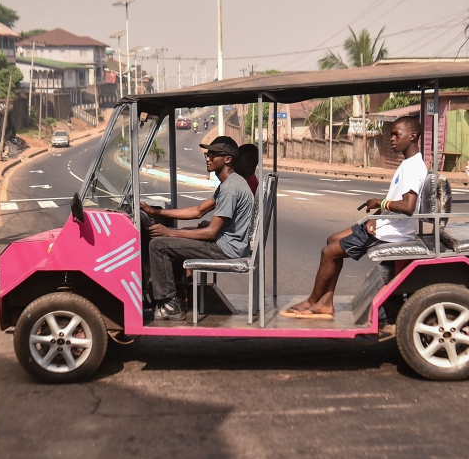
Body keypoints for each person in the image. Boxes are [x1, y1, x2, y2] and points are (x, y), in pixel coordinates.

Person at [281, 117, 427, 320]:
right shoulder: (408, 163)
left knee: (328, 252)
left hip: (392, 233)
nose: (392, 139)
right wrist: (375, 217)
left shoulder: (413, 167)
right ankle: (325, 302)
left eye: (396, 134)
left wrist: (379, 203)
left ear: (413, 136)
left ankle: (312, 300)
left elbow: (408, 206)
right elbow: (396, 201)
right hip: (387, 225)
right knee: (332, 240)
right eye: (391, 134)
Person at [142, 136, 255, 321]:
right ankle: (178, 294)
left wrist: (168, 232)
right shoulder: (229, 183)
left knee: (158, 244)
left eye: (213, 154)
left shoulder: (230, 189)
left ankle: (169, 304)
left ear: (227, 159)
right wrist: (154, 211)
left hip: (226, 249)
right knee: (176, 237)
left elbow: (211, 232)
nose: (208, 158)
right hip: (227, 243)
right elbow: (196, 211)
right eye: (207, 154)